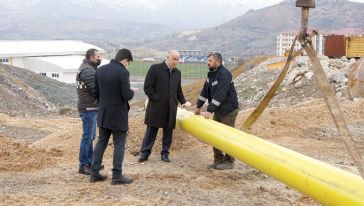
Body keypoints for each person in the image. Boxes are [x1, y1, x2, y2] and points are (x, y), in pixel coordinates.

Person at [90, 49, 134, 185]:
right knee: (119, 144)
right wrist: (132, 91)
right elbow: (127, 95)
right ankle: (116, 176)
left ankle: (94, 173)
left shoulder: (100, 70)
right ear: (125, 60)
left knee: (101, 142)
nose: (127, 65)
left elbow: (95, 92)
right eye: (128, 63)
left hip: (103, 113)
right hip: (118, 115)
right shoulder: (123, 72)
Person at [138, 50, 191, 163]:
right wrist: (155, 99)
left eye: (178, 59)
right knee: (152, 130)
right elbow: (147, 87)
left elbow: (178, 90)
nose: (176, 61)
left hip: (171, 107)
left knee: (168, 131)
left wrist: (183, 102)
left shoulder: (178, 73)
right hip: (156, 107)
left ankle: (165, 154)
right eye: (174, 59)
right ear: (167, 57)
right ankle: (145, 153)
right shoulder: (155, 69)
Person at [194, 52, 239, 170]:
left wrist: (209, 110)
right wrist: (198, 106)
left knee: (227, 135)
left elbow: (220, 94)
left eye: (210, 61)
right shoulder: (211, 74)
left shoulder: (225, 74)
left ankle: (229, 161)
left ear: (217, 61)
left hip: (229, 109)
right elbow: (205, 91)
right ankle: (218, 159)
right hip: (218, 109)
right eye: (208, 61)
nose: (207, 63)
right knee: (215, 134)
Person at [76, 48, 101, 175]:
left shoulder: (89, 68)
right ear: (92, 57)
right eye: (98, 56)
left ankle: (89, 163)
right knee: (87, 137)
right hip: (88, 109)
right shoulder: (87, 70)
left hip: (91, 108)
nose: (99, 58)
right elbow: (94, 89)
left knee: (90, 137)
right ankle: (84, 165)